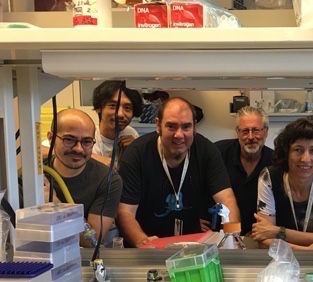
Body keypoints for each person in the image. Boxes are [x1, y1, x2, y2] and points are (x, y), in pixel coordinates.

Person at [117, 97, 240, 248]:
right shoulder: (136, 154)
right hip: (147, 246)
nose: (179, 135)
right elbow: (125, 212)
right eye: (171, 126)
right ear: (158, 125)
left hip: (192, 248)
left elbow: (227, 200)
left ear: (194, 127)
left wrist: (232, 238)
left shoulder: (206, 151)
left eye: (186, 127)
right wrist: (142, 242)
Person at [252, 118, 313, 250]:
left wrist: (278, 232)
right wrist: (306, 250)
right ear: (286, 152)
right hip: (281, 261)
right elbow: (264, 239)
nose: (305, 159)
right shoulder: (269, 177)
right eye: (298, 150)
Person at [46, 108, 122, 247]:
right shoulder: (32, 176)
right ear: (51, 138)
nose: (78, 149)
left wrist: (56, 205)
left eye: (86, 142)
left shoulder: (108, 179)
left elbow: (91, 241)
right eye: (69, 140)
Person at [214, 106, 273, 236]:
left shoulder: (276, 162)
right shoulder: (218, 153)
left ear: (266, 131)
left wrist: (262, 230)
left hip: (258, 235)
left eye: (256, 131)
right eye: (245, 131)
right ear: (237, 132)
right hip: (219, 232)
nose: (250, 137)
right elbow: (199, 184)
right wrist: (198, 217)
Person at [92, 80, 144, 167]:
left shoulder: (131, 133)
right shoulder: (89, 134)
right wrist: (90, 158)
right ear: (99, 108)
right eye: (112, 106)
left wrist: (135, 149)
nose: (120, 114)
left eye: (127, 108)